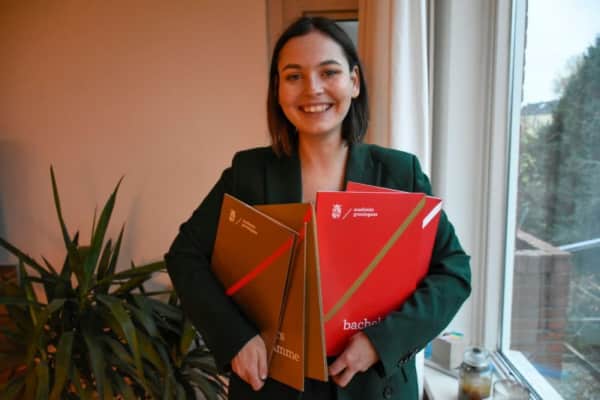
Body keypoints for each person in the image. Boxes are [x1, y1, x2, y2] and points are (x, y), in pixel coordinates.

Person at [166, 16, 471, 400]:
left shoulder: (399, 173)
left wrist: (380, 341)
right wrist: (235, 338)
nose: (312, 88)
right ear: (278, 90)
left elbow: (454, 270)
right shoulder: (248, 174)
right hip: (272, 385)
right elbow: (185, 256)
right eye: (294, 76)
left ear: (354, 82)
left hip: (375, 384)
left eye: (329, 72)